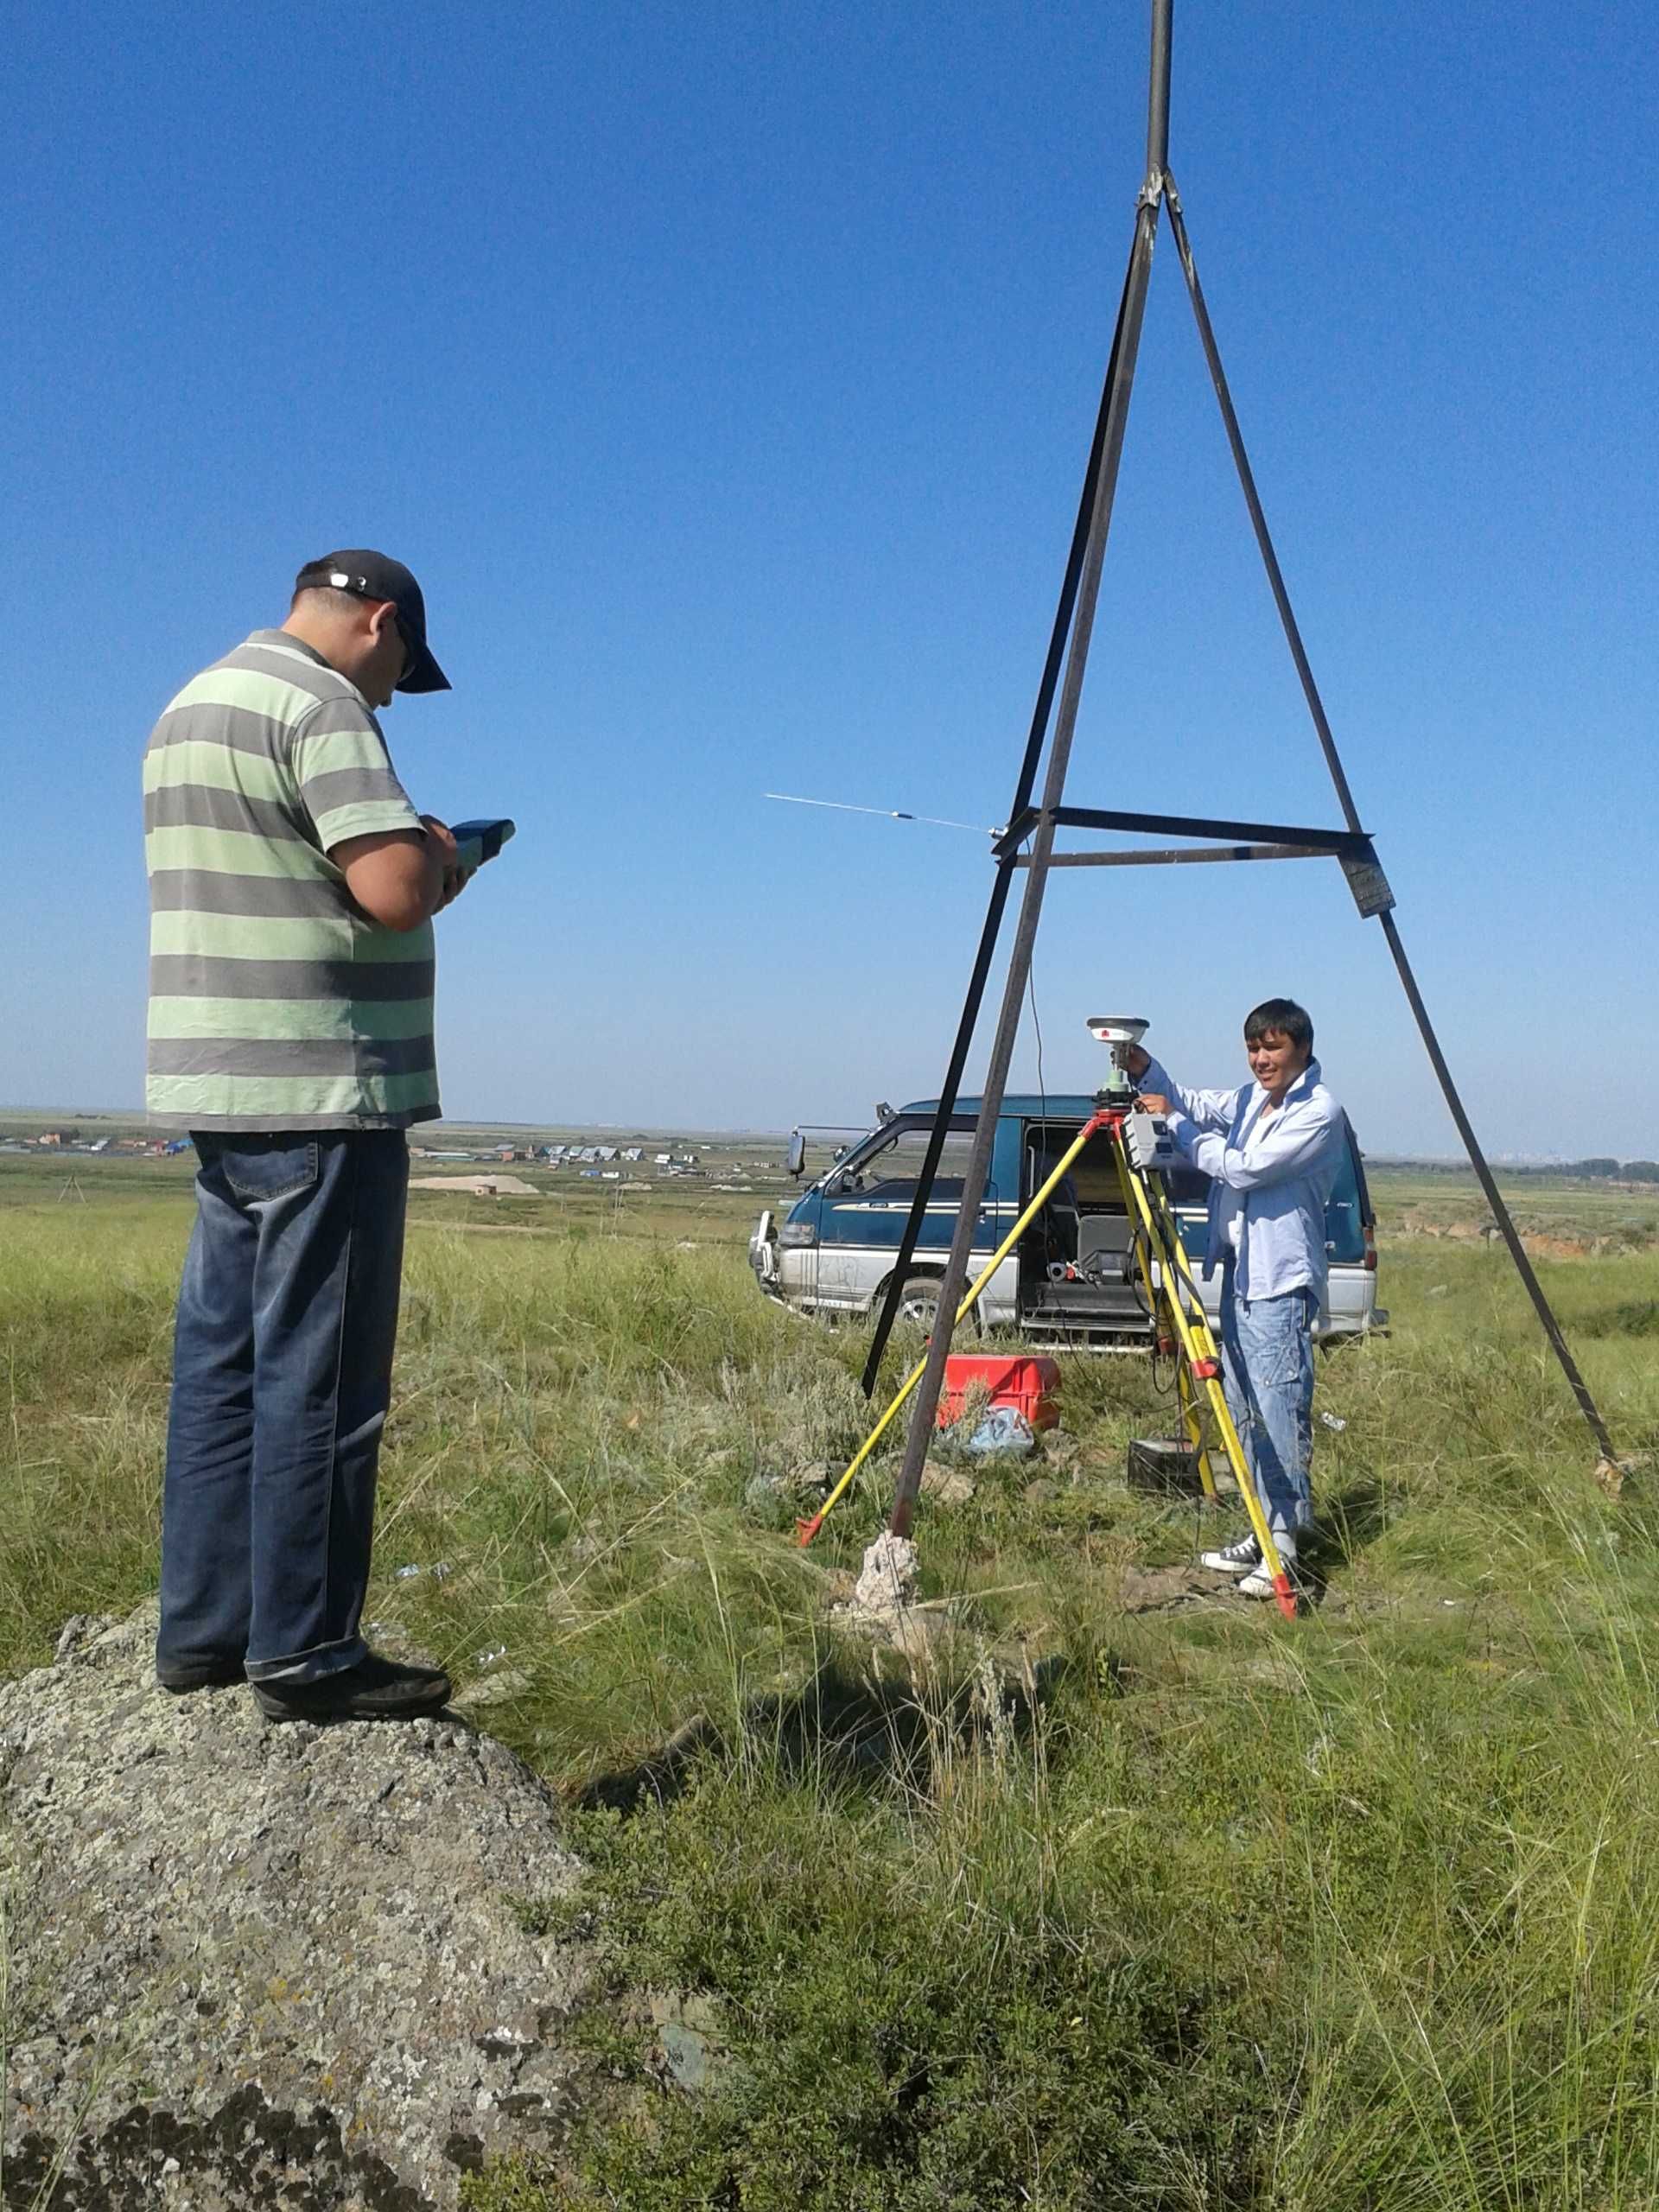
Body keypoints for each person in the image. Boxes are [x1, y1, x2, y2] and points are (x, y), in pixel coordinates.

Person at [145, 551, 472, 1720]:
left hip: (220, 1077)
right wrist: (444, 854)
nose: (387, 693)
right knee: (323, 1379)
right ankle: (306, 1651)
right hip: (323, 1082)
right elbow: (387, 889)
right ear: (376, 623)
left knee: (224, 1367)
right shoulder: (321, 705)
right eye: (396, 668)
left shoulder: (193, 700)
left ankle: (202, 1634)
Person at [1126, 1000, 1344, 1599]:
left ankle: (1286, 1548)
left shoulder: (1320, 1112)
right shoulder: (1252, 1100)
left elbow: (1244, 1169)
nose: (1260, 1059)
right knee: (1245, 1412)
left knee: (1279, 1411)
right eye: (1253, 1048)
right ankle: (1262, 1525)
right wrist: (1144, 1069)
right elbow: (1195, 1103)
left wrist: (1175, 1125)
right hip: (1242, 1279)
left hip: (1279, 1284)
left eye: (1272, 1048)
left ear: (1301, 1047)